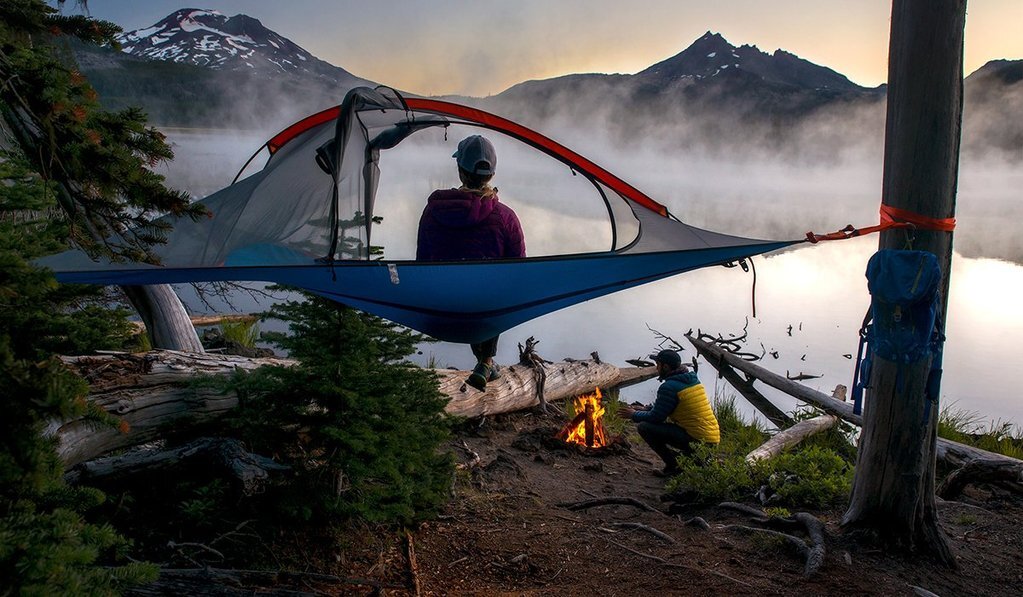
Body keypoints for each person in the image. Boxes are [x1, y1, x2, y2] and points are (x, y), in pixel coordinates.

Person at [417, 134, 525, 391]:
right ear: (492, 174)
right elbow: (520, 271)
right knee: (493, 284)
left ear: (460, 170)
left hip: (441, 308)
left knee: (476, 285)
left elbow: (421, 264)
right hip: (483, 312)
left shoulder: (433, 211)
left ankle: (486, 363)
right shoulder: (505, 217)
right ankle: (486, 362)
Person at [618, 349, 720, 476]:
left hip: (698, 441)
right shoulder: (691, 379)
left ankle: (674, 466)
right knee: (649, 424)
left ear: (665, 367)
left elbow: (657, 417)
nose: (656, 367)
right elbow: (668, 405)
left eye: (658, 364)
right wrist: (646, 408)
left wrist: (634, 415)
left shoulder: (669, 387)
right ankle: (689, 458)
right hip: (711, 439)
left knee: (644, 428)